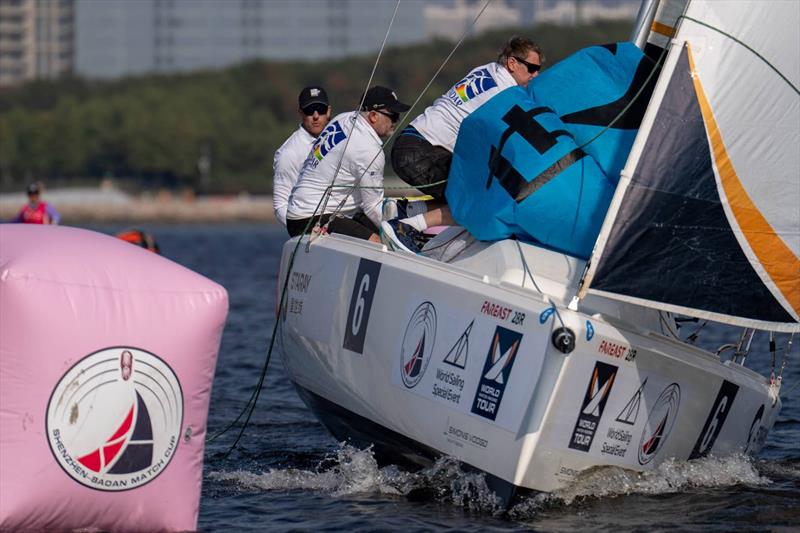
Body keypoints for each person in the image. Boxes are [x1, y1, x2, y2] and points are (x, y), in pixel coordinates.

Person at [383, 36, 544, 252]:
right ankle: (406, 227)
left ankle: (406, 210)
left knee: (474, 191)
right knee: (480, 200)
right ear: (512, 63)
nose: (535, 75)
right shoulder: (506, 92)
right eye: (532, 68)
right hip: (423, 150)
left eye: (538, 69)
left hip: (412, 142)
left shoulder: (487, 70)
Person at [285, 85, 411, 242]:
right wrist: (403, 233)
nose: (396, 121)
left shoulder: (343, 118)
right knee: (380, 242)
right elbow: (373, 207)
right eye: (393, 116)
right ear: (373, 116)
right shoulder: (368, 149)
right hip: (309, 218)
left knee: (383, 233)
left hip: (301, 213)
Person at [272, 85, 332, 227]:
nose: (316, 116)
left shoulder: (342, 140)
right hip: (313, 231)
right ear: (300, 112)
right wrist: (306, 230)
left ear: (329, 111)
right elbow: (280, 206)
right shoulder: (288, 153)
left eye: (321, 109)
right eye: (309, 110)